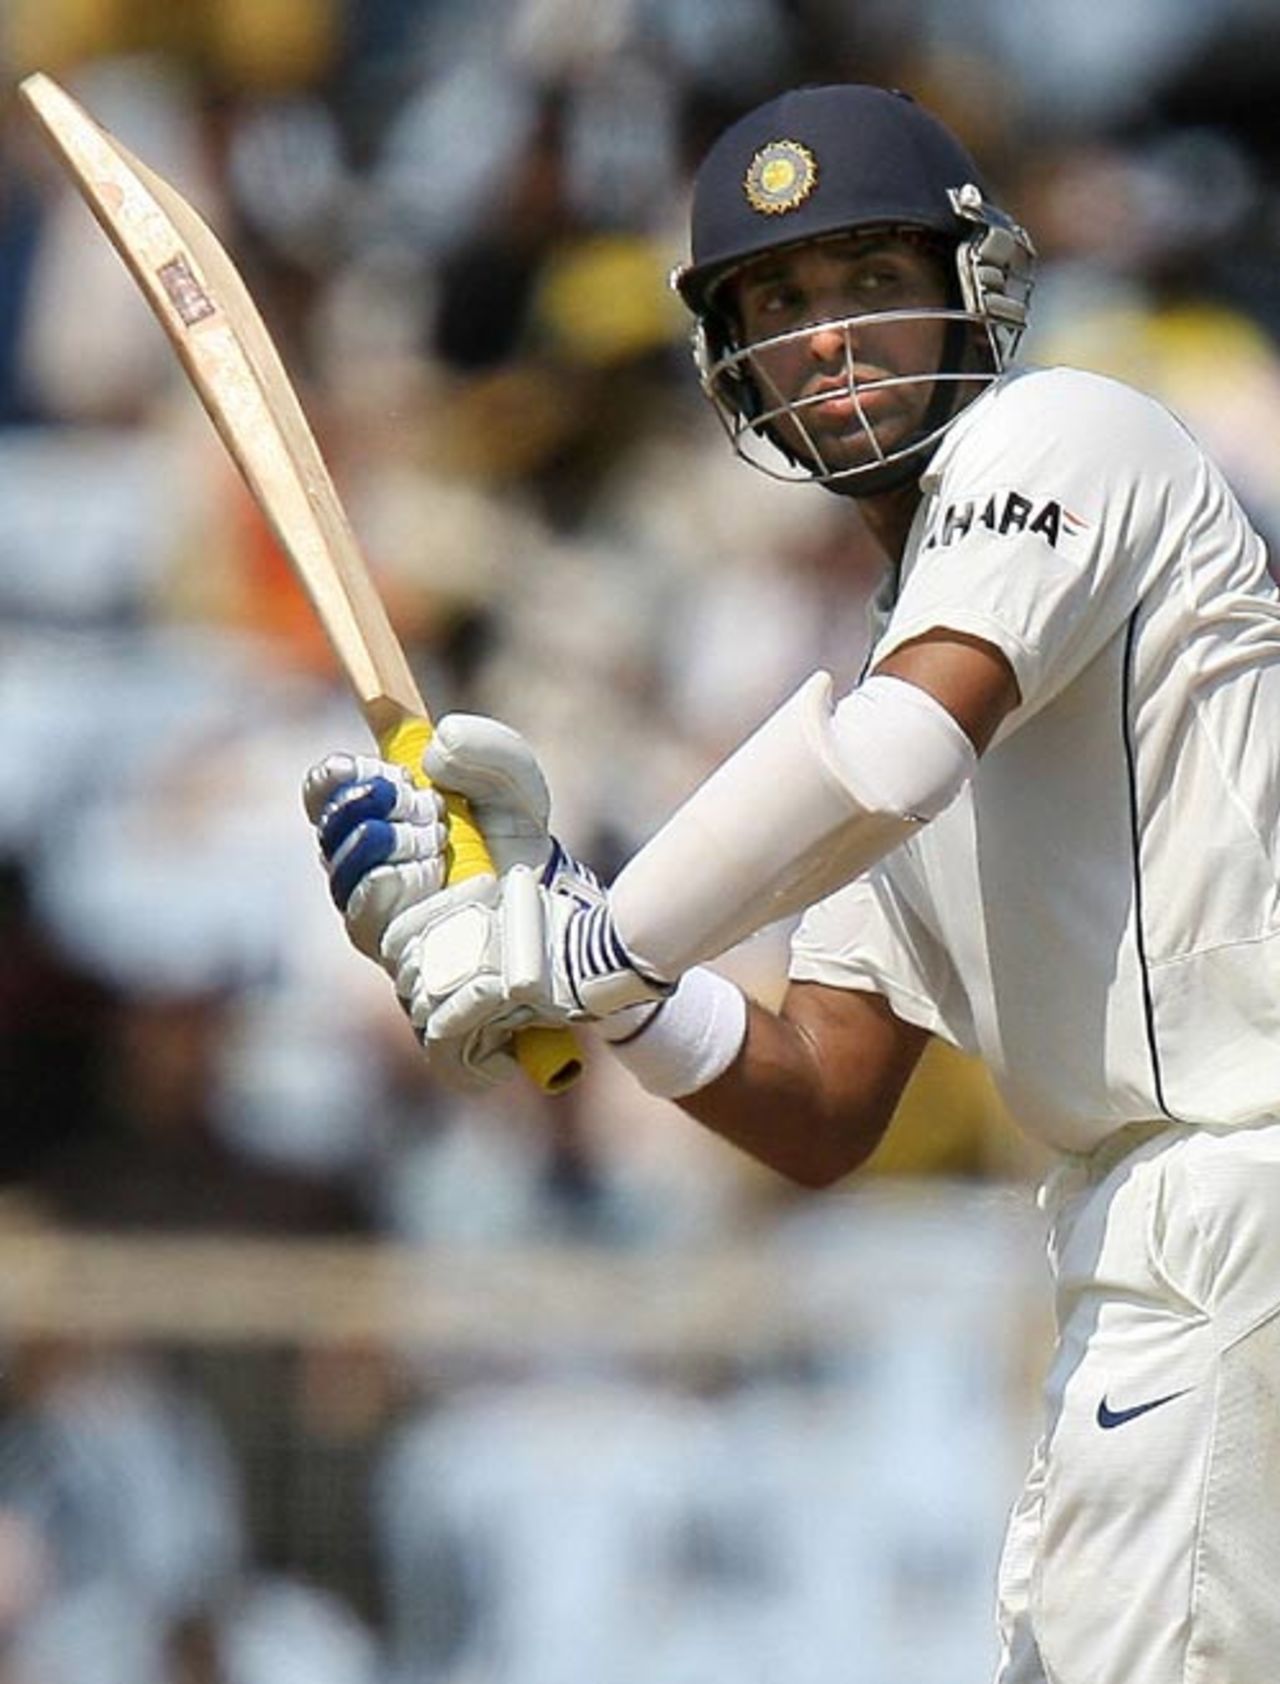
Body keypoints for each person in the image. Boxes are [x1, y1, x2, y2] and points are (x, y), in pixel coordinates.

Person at [303, 84, 1280, 1684]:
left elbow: (892, 760)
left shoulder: (1068, 437)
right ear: (726, 357)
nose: (826, 338)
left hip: (1238, 1187)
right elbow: (821, 1103)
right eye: (779, 304)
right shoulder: (907, 670)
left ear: (977, 286)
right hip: (1137, 1243)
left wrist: (582, 940)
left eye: (867, 283)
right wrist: (587, 950)